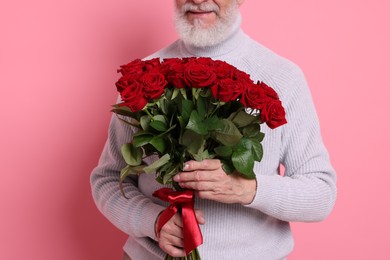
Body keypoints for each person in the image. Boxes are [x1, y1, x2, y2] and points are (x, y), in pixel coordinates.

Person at [90, 0, 337, 259]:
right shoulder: (143, 77)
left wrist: (249, 189)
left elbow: (321, 193)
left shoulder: (283, 77)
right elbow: (107, 180)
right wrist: (153, 220)